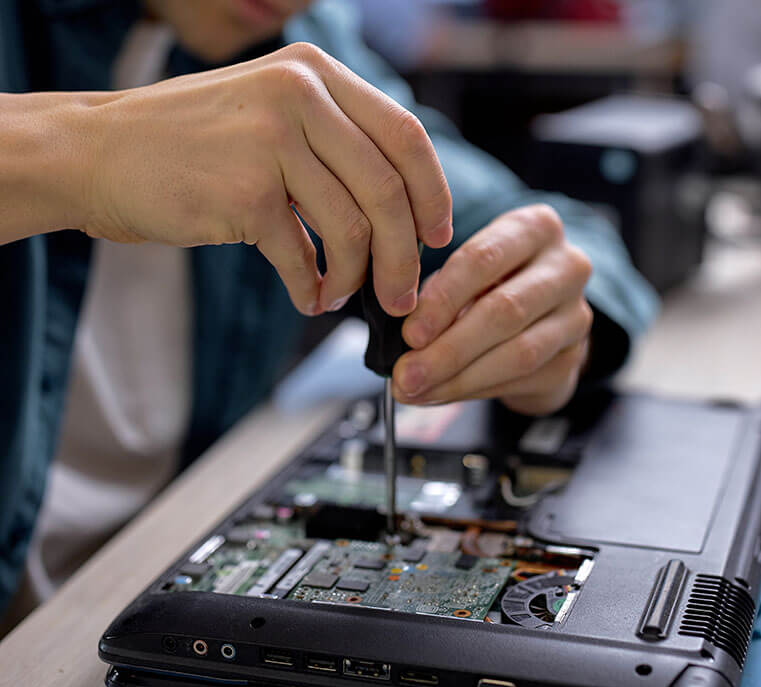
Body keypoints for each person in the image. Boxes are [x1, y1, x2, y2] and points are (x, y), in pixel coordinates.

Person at [0, 0, 657, 630]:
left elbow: (538, 227)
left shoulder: (297, 42)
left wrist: (550, 311)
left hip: (149, 572)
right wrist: (85, 150)